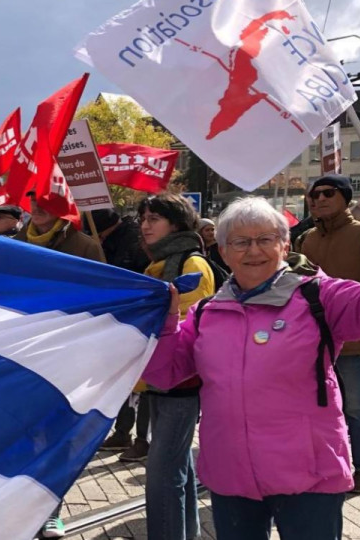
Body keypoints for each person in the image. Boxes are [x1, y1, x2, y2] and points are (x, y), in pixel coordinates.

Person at [145, 196, 360, 539]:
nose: (253, 250)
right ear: (223, 251)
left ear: (285, 246)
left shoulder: (320, 297)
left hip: (309, 477)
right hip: (231, 477)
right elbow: (163, 373)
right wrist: (166, 324)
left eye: (265, 239)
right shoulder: (206, 313)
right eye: (240, 242)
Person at [298, 174, 360, 494]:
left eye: (328, 193)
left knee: (357, 406)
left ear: (345, 198)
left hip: (356, 340)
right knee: (321, 407)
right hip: (312, 342)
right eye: (314, 194)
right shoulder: (305, 240)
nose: (319, 198)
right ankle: (331, 465)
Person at [139, 192, 215, 540]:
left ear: (176, 224)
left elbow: (191, 324)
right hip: (159, 380)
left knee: (162, 474)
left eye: (154, 219)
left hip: (181, 382)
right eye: (143, 219)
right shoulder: (159, 263)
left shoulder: (191, 263)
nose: (145, 225)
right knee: (177, 465)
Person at [90, 209, 152, 460]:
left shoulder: (133, 240)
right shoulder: (105, 240)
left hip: (139, 319)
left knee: (146, 385)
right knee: (125, 379)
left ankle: (143, 439)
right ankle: (122, 432)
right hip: (118, 320)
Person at [13, 194, 104, 262]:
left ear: (62, 205)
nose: (37, 206)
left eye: (45, 201)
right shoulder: (15, 243)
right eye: (34, 200)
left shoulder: (86, 247)